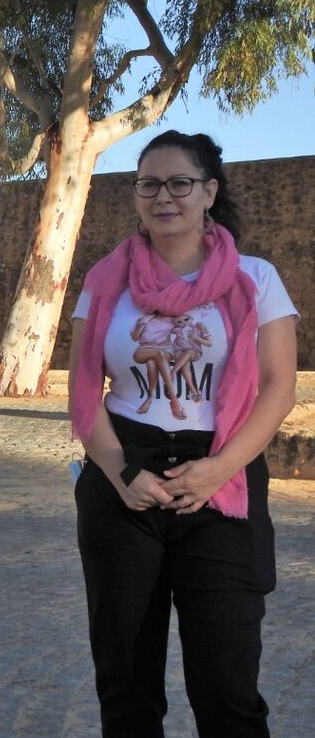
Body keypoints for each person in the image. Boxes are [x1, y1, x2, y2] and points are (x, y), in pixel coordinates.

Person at [68, 130, 298, 738]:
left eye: (180, 183)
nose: (163, 196)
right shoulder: (104, 280)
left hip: (223, 476)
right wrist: (121, 475)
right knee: (126, 684)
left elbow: (278, 387)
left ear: (209, 192)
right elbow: (83, 390)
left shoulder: (257, 278)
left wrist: (220, 469)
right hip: (126, 475)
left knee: (227, 687)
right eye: (149, 184)